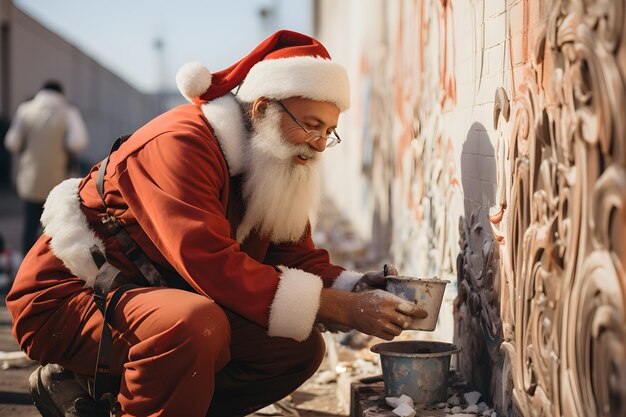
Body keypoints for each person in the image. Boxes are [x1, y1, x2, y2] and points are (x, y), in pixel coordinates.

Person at [6, 30, 426, 417]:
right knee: (193, 325)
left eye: (329, 131)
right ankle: (104, 387)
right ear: (262, 108)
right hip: (68, 298)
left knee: (295, 349)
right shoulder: (181, 143)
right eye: (310, 125)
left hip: (152, 297)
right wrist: (343, 309)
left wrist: (355, 290)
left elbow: (296, 258)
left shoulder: (276, 159)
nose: (318, 144)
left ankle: (110, 398)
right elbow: (207, 261)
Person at [4, 80, 89, 254]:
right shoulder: (69, 112)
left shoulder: (25, 110)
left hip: (31, 182)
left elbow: (12, 143)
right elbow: (78, 142)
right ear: (61, 94)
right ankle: (51, 269)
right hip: (58, 182)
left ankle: (26, 265)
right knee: (55, 230)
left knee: (29, 225)